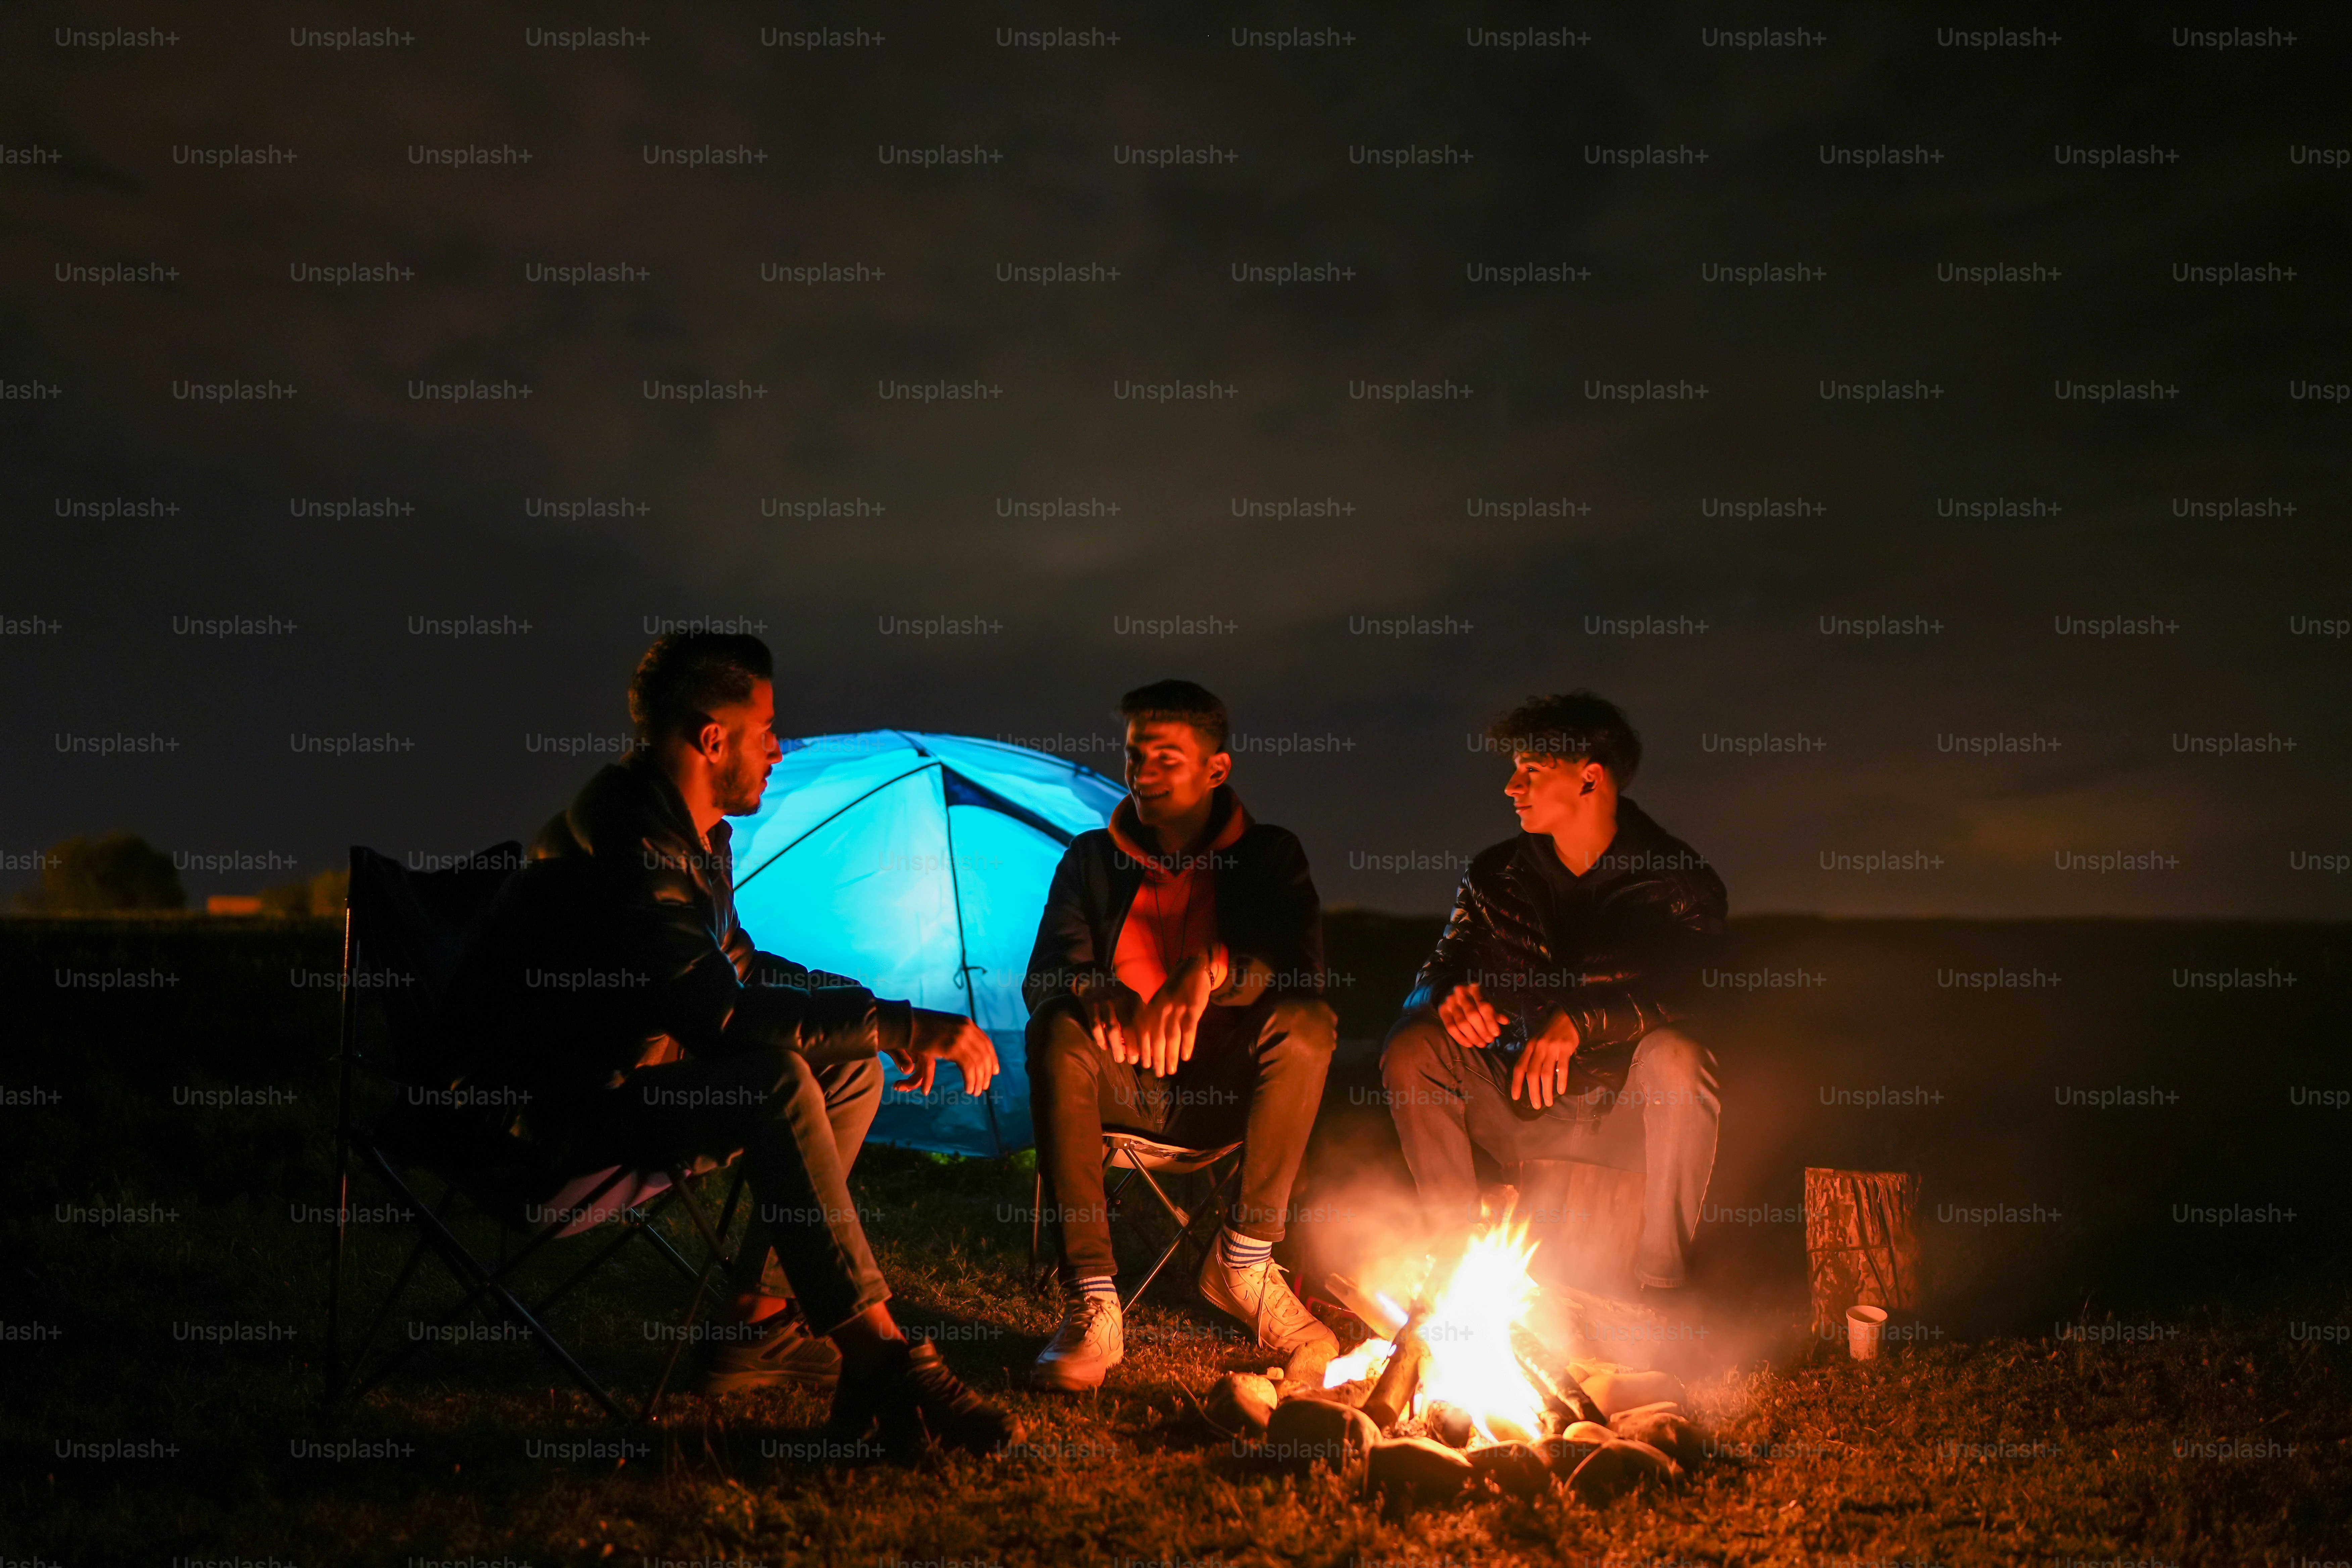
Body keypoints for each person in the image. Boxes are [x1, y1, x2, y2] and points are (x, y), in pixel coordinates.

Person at [447, 633, 1012, 1456]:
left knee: (848, 1065)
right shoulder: (633, 846)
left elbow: (739, 967)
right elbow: (717, 1017)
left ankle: (760, 1320)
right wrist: (902, 1025)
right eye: (767, 728)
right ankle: (885, 1356)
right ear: (714, 737)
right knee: (774, 1079)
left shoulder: (686, 833)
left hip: (632, 1086)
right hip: (561, 1124)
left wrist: (881, 1016)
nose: (778, 748)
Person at [1022, 680, 1338, 1391]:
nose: (1143, 773)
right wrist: (1090, 987)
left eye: (1167, 757)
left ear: (1216, 770)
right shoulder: (1090, 860)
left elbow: (1300, 971)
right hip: (1122, 1084)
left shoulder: (1269, 856)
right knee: (1055, 1025)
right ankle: (1093, 1299)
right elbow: (1044, 974)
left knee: (1310, 1024)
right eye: (1136, 755)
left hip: (1225, 1092)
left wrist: (1210, 970)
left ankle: (1245, 1259)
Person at [1379, 691, 1727, 1302]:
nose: (1512, 787)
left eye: (1532, 770)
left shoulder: (1678, 880)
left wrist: (1581, 1021)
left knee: (1680, 1057)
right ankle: (1455, 1262)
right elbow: (1436, 969)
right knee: (1414, 1048)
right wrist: (1443, 998)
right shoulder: (1495, 876)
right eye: (1515, 770)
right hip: (1521, 1104)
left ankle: (1660, 1284)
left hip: (1628, 1119)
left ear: (1590, 777)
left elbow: (1699, 994)